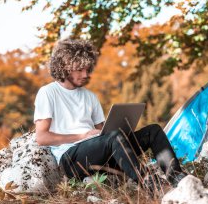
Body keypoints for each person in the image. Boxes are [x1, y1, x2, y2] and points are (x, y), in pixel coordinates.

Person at [33, 38, 186, 191]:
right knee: (115, 137)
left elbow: (105, 132)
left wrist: (121, 131)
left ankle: (178, 179)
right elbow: (42, 138)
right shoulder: (48, 92)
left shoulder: (90, 96)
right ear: (64, 67)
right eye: (80, 70)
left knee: (153, 131)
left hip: (102, 154)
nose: (86, 74)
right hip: (71, 159)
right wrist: (82, 136)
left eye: (87, 69)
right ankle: (149, 184)